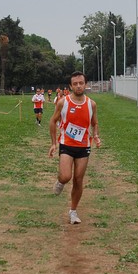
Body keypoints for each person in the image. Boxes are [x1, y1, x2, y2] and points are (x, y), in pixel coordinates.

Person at [49, 71, 101, 225]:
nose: (78, 86)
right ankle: (60, 182)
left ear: (85, 84)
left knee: (79, 180)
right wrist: (53, 143)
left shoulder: (91, 104)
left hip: (83, 146)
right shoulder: (63, 102)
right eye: (75, 84)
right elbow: (53, 121)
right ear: (70, 86)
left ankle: (73, 211)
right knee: (66, 176)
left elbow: (95, 123)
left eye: (81, 83)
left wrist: (96, 135)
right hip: (66, 145)